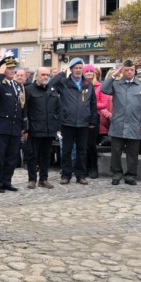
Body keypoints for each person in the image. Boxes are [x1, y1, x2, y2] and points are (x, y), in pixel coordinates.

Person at [101, 60, 141, 185]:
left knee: (133, 152)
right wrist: (114, 75)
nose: (129, 72)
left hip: (135, 123)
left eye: (132, 70)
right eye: (126, 70)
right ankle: (116, 173)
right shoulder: (116, 83)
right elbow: (103, 89)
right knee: (116, 151)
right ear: (122, 71)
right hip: (119, 123)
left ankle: (130, 175)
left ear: (135, 70)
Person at [49, 57, 98, 185]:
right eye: (75, 68)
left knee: (82, 150)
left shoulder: (88, 83)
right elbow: (50, 85)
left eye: (80, 68)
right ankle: (66, 175)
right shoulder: (64, 82)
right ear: (70, 70)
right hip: (67, 122)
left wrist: (92, 120)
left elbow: (93, 103)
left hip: (83, 123)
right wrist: (61, 74)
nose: (78, 70)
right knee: (66, 150)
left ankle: (80, 175)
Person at [0, 56, 26, 193]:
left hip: (14, 127)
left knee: (12, 157)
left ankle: (7, 181)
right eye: (9, 68)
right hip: (1, 126)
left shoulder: (17, 86)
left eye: (13, 68)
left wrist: (23, 126)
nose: (12, 71)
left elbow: (22, 106)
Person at [24, 67, 59, 189]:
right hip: (34, 128)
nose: (45, 77)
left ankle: (43, 179)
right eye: (43, 74)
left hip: (49, 129)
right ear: (37, 76)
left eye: (47, 75)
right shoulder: (28, 89)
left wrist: (56, 125)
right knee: (32, 155)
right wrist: (25, 129)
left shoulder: (52, 89)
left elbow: (57, 108)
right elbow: (25, 111)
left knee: (46, 155)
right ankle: (32, 179)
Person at [83, 64, 105, 178]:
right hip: (82, 117)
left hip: (93, 117)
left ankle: (93, 168)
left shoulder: (99, 86)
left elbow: (104, 103)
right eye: (87, 72)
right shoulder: (81, 85)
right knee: (83, 145)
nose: (89, 74)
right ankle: (84, 168)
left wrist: (91, 105)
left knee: (91, 145)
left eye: (91, 72)